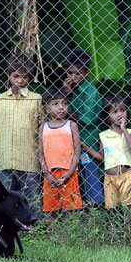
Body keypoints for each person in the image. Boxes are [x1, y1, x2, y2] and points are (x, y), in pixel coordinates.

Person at [0, 54, 45, 215]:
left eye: (24, 76)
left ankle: (35, 231)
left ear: (30, 77)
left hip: (30, 161)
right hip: (6, 161)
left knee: (32, 199)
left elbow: (43, 128)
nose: (19, 80)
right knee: (5, 200)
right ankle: (8, 227)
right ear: (8, 75)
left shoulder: (36, 99)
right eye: (15, 76)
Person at [62, 48, 105, 206]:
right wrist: (65, 94)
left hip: (88, 142)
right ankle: (79, 209)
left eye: (77, 73)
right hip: (71, 144)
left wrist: (65, 105)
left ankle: (95, 210)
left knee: (90, 176)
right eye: (70, 73)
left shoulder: (90, 92)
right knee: (75, 179)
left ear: (86, 73)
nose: (73, 77)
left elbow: (84, 119)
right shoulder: (69, 90)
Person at [82, 96, 131, 209]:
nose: (120, 114)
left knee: (129, 206)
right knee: (111, 206)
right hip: (109, 178)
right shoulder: (103, 135)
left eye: (123, 110)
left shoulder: (129, 132)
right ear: (108, 117)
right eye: (115, 112)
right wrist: (87, 148)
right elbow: (101, 157)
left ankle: (128, 225)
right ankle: (113, 225)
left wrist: (123, 129)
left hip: (127, 176)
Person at [38, 88, 83, 220]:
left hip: (69, 172)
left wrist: (70, 172)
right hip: (50, 174)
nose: (61, 107)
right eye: (56, 104)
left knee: (72, 207)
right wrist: (46, 173)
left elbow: (77, 150)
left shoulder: (71, 125)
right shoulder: (43, 128)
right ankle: (53, 234)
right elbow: (40, 153)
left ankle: (72, 234)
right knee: (51, 208)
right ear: (47, 108)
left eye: (64, 103)